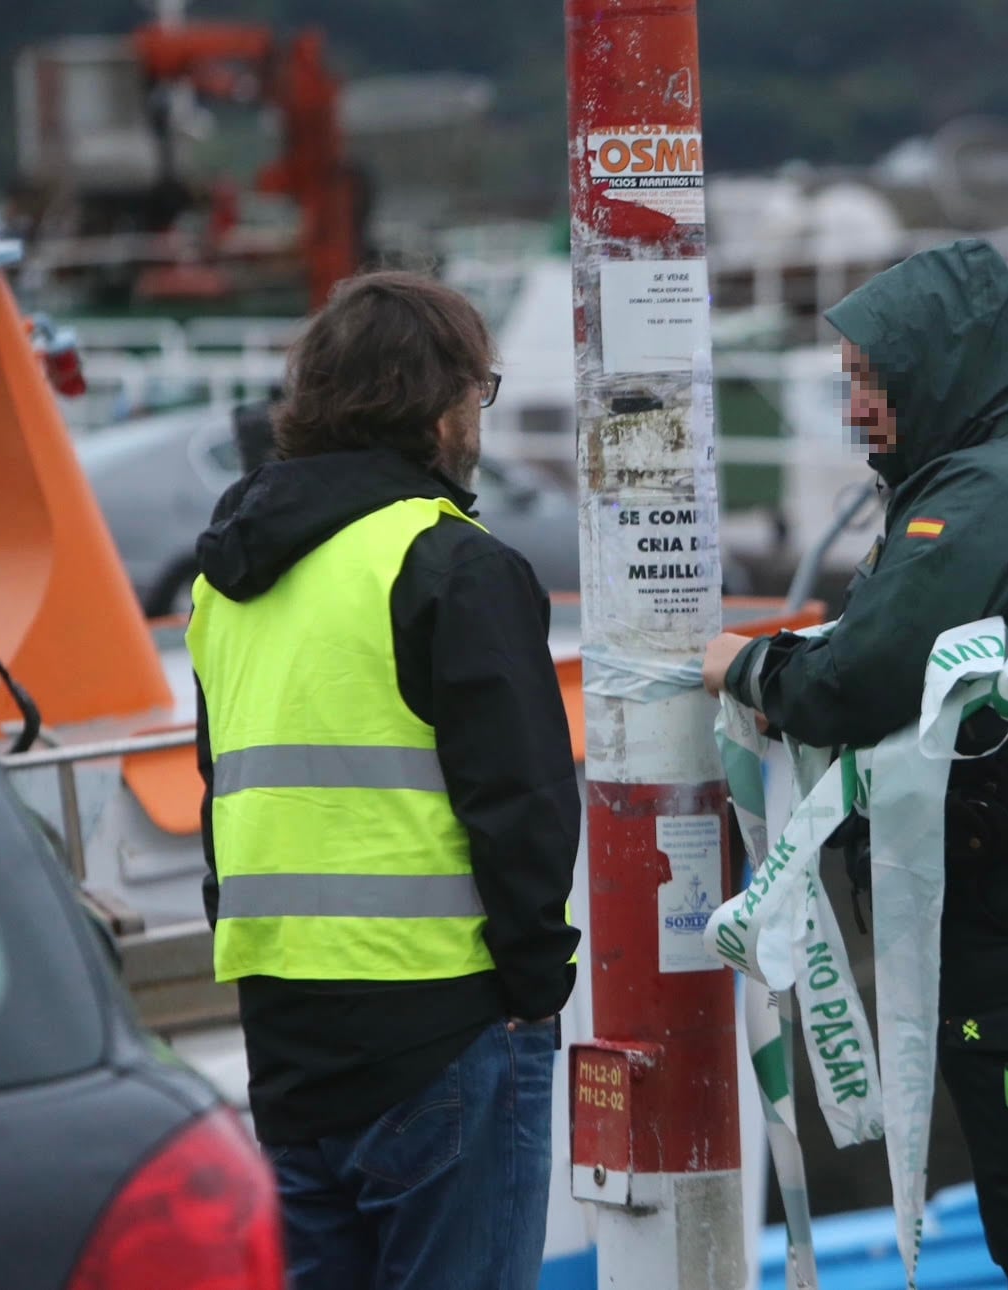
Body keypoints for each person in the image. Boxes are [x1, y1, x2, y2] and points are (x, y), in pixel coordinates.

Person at [701, 239, 1008, 1290]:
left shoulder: (984, 492)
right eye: (850, 380)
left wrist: (739, 667)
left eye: (875, 381)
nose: (857, 407)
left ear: (941, 369)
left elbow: (858, 679)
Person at [187, 270, 580, 1290]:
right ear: (437, 406)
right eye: (477, 391)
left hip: (286, 1039)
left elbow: (218, 796)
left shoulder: (229, 579)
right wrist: (536, 993)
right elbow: (525, 808)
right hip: (441, 1028)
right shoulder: (448, 562)